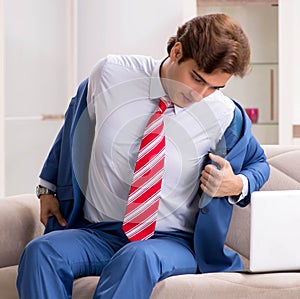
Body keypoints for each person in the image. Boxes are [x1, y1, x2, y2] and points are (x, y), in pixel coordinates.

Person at [17, 13, 270, 299]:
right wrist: (46, 186)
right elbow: (75, 126)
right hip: (100, 232)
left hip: (171, 242)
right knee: (42, 252)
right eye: (197, 79)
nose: (200, 94)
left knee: (136, 258)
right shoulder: (111, 74)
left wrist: (236, 184)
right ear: (177, 51)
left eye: (214, 87)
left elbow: (258, 164)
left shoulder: (224, 114)